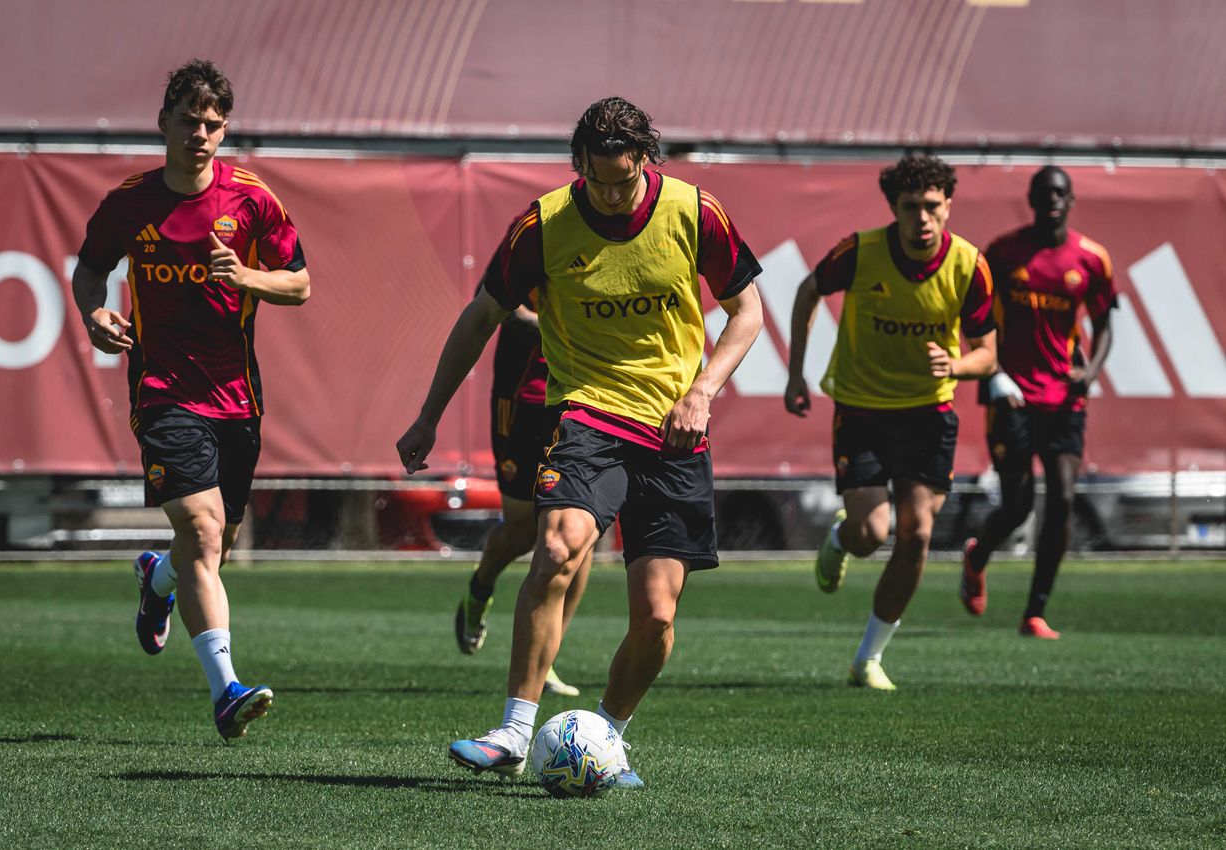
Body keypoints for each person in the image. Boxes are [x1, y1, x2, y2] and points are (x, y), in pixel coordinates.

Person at [398, 96, 763, 786]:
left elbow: (746, 310)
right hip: (587, 413)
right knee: (557, 545)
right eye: (596, 180)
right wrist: (427, 415)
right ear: (580, 167)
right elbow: (480, 318)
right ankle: (511, 731)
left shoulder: (694, 211)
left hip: (674, 428)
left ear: (644, 162)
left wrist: (701, 391)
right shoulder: (543, 224)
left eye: (622, 181)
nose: (610, 194)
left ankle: (607, 735)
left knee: (656, 618)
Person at [72, 59, 310, 739]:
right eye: (188, 121)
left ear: (224, 129)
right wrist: (93, 314)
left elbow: (300, 285)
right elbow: (90, 271)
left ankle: (159, 579)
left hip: (236, 397)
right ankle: (225, 690)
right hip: (162, 390)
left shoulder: (252, 200)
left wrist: (248, 277)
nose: (200, 134)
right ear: (164, 122)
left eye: (212, 125)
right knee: (203, 532)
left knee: (213, 546)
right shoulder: (129, 202)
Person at [784, 153, 996, 691]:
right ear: (894, 209)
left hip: (929, 413)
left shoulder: (970, 266)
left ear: (948, 206)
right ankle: (840, 538)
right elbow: (808, 291)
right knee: (869, 533)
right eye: (911, 208)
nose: (922, 218)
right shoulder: (860, 252)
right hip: (862, 409)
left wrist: (958, 365)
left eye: (932, 206)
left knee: (918, 532)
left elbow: (988, 354)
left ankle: (868, 658)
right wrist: (796, 375)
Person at [959, 166, 1116, 639]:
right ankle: (977, 555)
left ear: (1071, 201)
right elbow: (975, 316)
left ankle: (1035, 612)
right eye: (1044, 192)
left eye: (1060, 193)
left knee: (1064, 498)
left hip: (1064, 399)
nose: (1052, 199)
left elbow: (1106, 322)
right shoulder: (1004, 253)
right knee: (1019, 504)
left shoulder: (1091, 259)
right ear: (1031, 198)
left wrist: (1090, 372)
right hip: (1011, 396)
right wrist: (993, 371)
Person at [455, 293, 589, 697]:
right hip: (524, 401)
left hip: (583, 399)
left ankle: (544, 659)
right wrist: (559, 323)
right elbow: (496, 305)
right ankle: (480, 589)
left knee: (583, 532)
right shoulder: (530, 233)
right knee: (521, 531)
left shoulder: (607, 238)